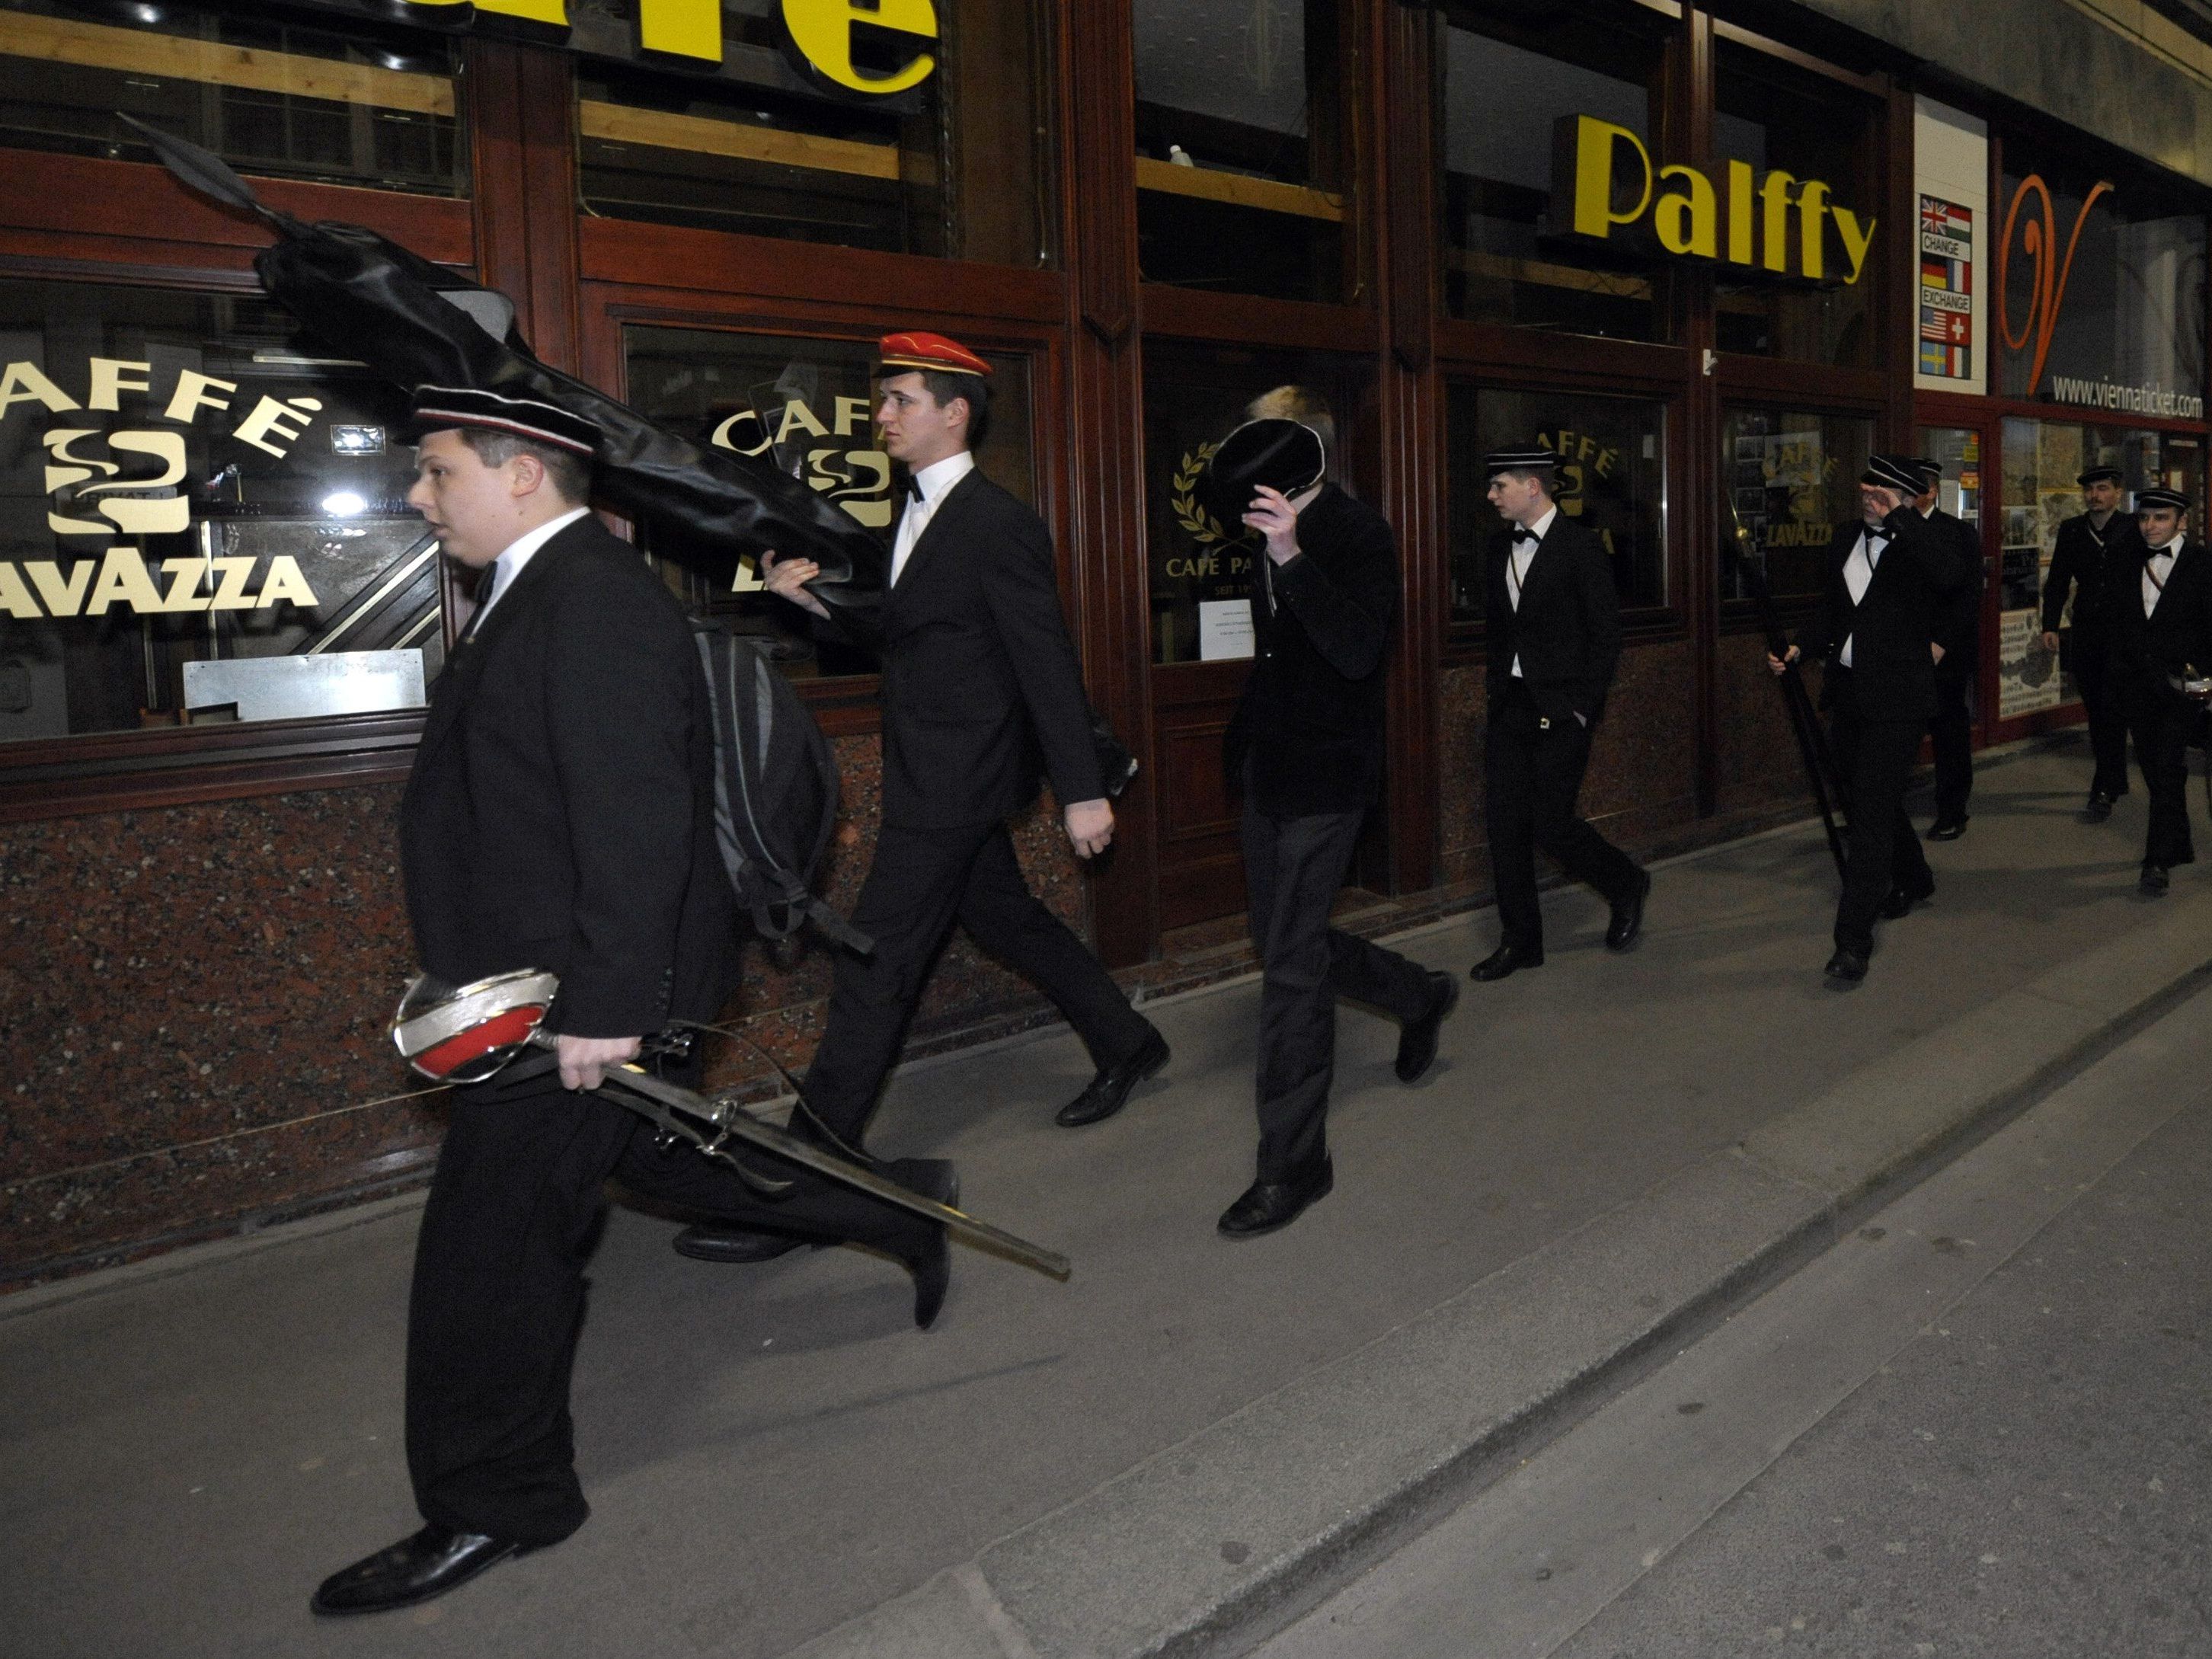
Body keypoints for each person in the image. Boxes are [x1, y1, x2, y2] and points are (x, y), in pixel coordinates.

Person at [311, 388, 952, 1618]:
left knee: (486, 1254)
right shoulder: (544, 587)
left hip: (575, 996)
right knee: (670, 1158)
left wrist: (603, 1010)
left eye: (436, 471)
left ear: (518, 476)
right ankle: (903, 1210)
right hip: (543, 980)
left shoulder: (593, 604)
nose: (415, 494)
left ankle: (497, 1497)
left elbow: (634, 821)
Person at [676, 332, 1165, 1265]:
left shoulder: (998, 521)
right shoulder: (915, 512)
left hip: (956, 783)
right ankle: (1128, 1040)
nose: (884, 416)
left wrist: (1084, 791)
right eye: (883, 401)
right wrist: (813, 603)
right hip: (937, 774)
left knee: (873, 970)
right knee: (1009, 922)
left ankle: (813, 1183)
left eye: (901, 400)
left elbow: (1045, 665)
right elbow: (911, 632)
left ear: (956, 412)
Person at [1213, 389, 1458, 1238]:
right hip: (1271, 770)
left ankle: (1294, 1165)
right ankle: (1417, 993)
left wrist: (1291, 557)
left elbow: (1357, 653)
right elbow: (1281, 657)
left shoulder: (1359, 533)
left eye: (1262, 442)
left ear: (1302, 452)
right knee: (1287, 938)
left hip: (1331, 778)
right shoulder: (1264, 528)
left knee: (1288, 971)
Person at [1769, 454, 1971, 986]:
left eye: (1881, 492)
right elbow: (1834, 611)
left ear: (1908, 496)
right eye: (1866, 490)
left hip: (1901, 699)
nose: (1869, 498)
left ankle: (1852, 942)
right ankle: (1916, 875)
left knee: (1872, 815)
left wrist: (1900, 519)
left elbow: (1952, 578)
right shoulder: (1844, 538)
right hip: (1851, 691)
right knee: (1861, 799)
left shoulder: (1926, 545)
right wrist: (1799, 646)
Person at [1470, 448, 1649, 984]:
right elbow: (1502, 631)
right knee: (1504, 825)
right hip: (1511, 705)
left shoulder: (1580, 547)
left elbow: (1606, 634)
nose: (1491, 495)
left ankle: (1625, 884)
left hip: (1562, 707)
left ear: (1533, 486)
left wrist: (1582, 706)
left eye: (1500, 485)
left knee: (1551, 823)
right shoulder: (1497, 547)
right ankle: (1520, 942)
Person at [2104, 484, 2212, 895]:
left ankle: (2156, 861)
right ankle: (2179, 844)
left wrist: (2203, 685)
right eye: (2145, 517)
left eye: (2161, 518)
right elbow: (2115, 622)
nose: (2150, 526)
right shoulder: (2124, 559)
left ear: (2182, 522)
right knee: (2157, 771)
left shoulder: (2203, 564)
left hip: (2179, 688)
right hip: (2135, 686)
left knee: (2166, 769)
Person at [2041, 465, 2140, 819]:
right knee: (2096, 708)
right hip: (2085, 630)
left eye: (2102, 489)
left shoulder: (2134, 529)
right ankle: (2114, 777)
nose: (2094, 496)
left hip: (2123, 632)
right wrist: (2049, 624)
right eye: (2089, 490)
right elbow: (2057, 580)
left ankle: (2104, 786)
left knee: (2112, 708)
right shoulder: (2072, 531)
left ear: (2117, 492)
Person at [1913, 456, 1983, 840]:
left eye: (1917, 488)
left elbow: (1969, 597)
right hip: (1903, 650)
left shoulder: (1958, 534)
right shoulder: (1892, 531)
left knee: (1949, 731)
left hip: (1947, 652)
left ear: (1933, 491)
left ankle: (1953, 809)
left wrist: (1942, 643)